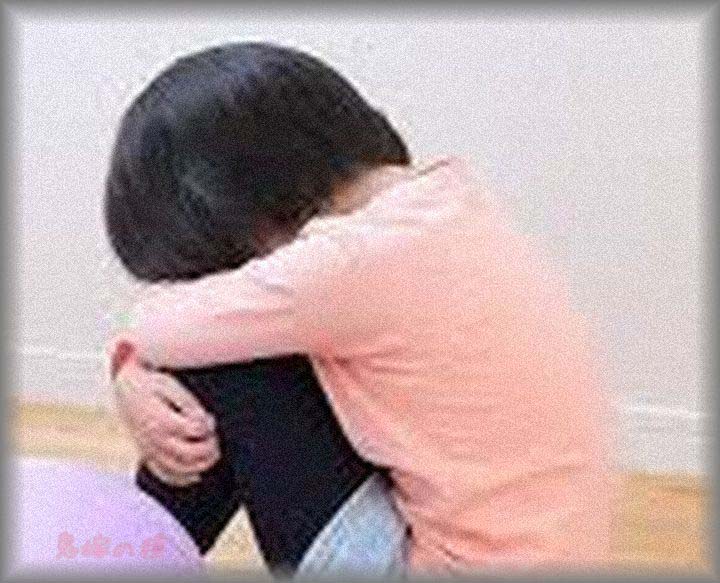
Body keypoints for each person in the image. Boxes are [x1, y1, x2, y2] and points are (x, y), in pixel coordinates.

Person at [107, 41, 615, 576]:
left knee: (225, 358)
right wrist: (134, 366)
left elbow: (159, 329)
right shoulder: (448, 200)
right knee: (241, 332)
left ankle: (122, 556)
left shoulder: (351, 261)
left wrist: (131, 372)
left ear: (238, 205)